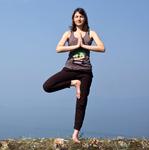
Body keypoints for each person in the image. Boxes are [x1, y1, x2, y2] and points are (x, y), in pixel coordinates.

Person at [42, 7, 105, 143]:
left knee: (82, 101)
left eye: (81, 16)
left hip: (85, 72)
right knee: (47, 86)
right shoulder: (68, 33)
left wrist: (85, 46)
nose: (79, 18)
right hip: (69, 69)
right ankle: (73, 83)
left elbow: (102, 48)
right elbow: (58, 48)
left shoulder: (91, 33)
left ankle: (75, 134)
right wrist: (75, 46)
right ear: (73, 19)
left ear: (85, 18)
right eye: (76, 16)